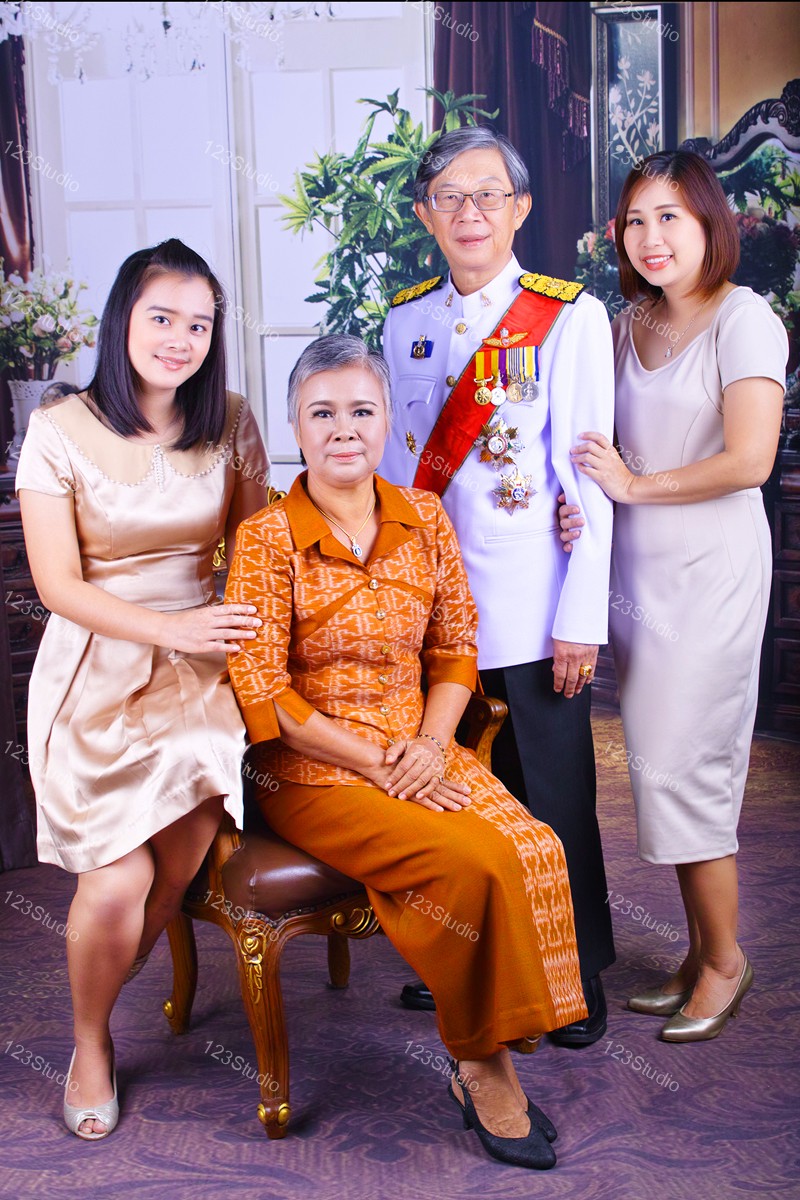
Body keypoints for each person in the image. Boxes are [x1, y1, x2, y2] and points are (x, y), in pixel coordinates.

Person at [224, 334, 587, 1170]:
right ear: (294, 425)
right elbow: (263, 691)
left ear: (388, 419)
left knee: (534, 846)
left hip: (421, 748)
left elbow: (456, 650)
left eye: (361, 410)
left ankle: (501, 1037)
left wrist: (428, 744)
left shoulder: (424, 517)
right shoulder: (265, 538)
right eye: (322, 413)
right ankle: (482, 1066)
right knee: (470, 862)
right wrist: (373, 760)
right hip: (311, 768)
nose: (343, 429)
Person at [16, 238, 269, 1138]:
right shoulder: (59, 428)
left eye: (199, 325)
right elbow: (57, 585)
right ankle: (90, 1040)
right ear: (123, 318)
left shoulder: (231, 419)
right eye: (162, 317)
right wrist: (171, 630)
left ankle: (105, 983)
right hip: (97, 666)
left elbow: (260, 552)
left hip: (202, 674)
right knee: (118, 879)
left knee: (174, 867)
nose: (180, 339)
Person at [379, 126, 615, 1046]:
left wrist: (580, 617)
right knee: (450, 800)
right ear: (425, 213)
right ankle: (467, 964)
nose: (469, 212)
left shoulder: (567, 318)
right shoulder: (405, 321)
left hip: (527, 604)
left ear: (520, 208)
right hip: (431, 610)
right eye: (450, 196)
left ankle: (573, 977)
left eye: (488, 195)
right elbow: (397, 473)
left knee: (550, 800)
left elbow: (586, 480)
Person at [560, 151, 788, 1041]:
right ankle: (699, 954)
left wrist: (630, 487)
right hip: (637, 577)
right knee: (660, 765)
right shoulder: (628, 323)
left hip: (711, 573)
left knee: (691, 767)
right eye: (636, 220)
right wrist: (584, 508)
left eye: (670, 218)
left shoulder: (746, 319)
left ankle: (726, 963)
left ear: (709, 225)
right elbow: (594, 447)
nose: (650, 238)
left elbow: (750, 461)